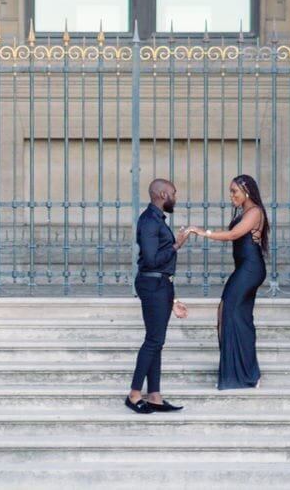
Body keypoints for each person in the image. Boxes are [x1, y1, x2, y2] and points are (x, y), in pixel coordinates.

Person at [186, 174, 269, 390]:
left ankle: (244, 374)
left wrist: (203, 232)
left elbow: (234, 235)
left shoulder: (254, 212)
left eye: (235, 191)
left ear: (247, 192)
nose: (231, 195)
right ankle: (238, 371)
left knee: (229, 312)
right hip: (244, 268)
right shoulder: (245, 211)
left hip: (250, 269)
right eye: (231, 191)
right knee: (231, 314)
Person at [125, 177, 191, 414]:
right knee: (153, 340)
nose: (176, 197)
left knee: (157, 341)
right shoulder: (150, 221)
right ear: (163, 195)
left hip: (160, 285)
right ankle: (134, 394)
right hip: (152, 285)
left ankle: (154, 395)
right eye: (174, 193)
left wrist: (172, 299)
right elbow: (152, 260)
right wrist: (177, 245)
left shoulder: (156, 220)